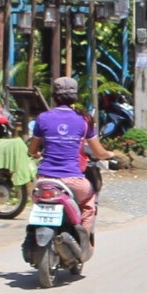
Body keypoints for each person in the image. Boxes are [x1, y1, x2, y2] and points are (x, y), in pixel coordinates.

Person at [29, 77, 110, 229]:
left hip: (44, 180)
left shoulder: (43, 118)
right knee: (89, 202)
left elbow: (32, 150)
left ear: (53, 96)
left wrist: (37, 155)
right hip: (72, 180)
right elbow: (99, 153)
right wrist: (110, 154)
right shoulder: (84, 119)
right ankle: (84, 239)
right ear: (75, 96)